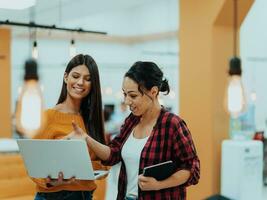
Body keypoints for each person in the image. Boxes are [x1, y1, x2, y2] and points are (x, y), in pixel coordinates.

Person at [66, 61, 200, 199]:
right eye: (125, 94)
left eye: (133, 96)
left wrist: (158, 184)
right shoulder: (132, 121)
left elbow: (191, 169)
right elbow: (113, 154)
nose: (127, 101)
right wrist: (86, 138)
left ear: (153, 92)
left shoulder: (172, 124)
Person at [33, 54, 107, 200]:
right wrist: (49, 181)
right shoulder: (47, 117)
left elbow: (104, 164)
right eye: (75, 76)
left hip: (85, 196)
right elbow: (34, 165)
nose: (80, 82)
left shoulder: (93, 119)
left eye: (88, 79)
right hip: (52, 196)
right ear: (66, 77)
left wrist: (83, 168)